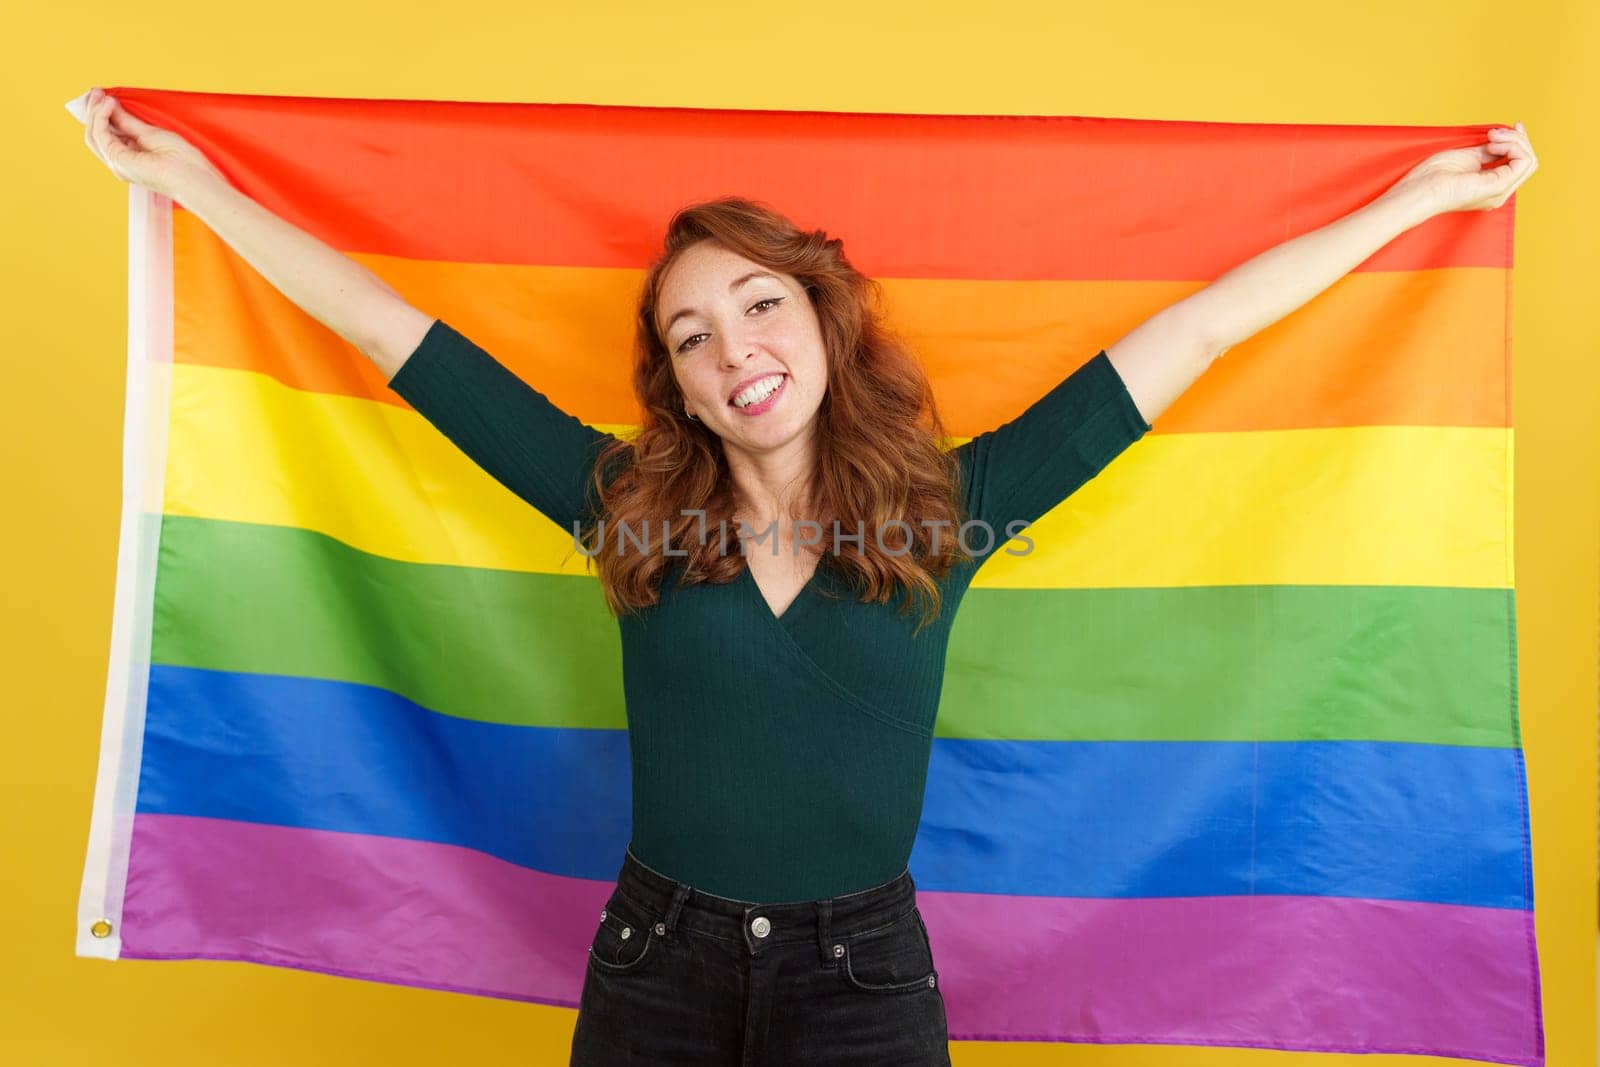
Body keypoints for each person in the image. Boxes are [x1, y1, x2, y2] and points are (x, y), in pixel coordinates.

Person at [79, 87, 1537, 1066]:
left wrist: (1412, 205)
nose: (735, 349)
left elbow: (1201, 335)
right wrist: (196, 185)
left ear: (825, 326)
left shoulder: (954, 511)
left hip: (865, 986)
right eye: (695, 335)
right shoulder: (623, 507)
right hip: (655, 966)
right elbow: (399, 339)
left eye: (761, 305)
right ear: (680, 388)